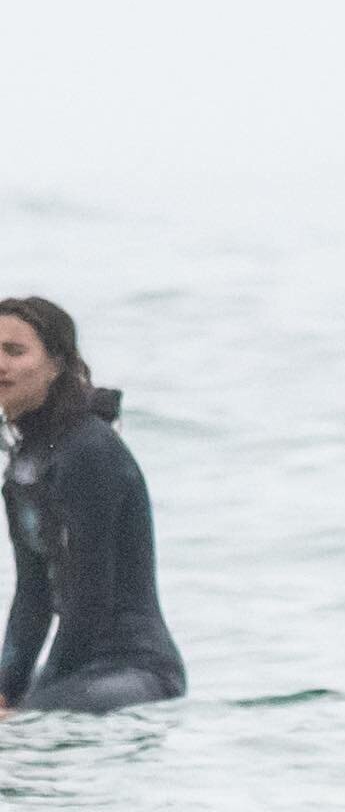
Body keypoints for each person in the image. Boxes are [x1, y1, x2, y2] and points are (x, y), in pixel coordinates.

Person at [0, 297, 185, 716]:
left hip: (135, 670)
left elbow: (90, 600)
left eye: (15, 351)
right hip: (81, 668)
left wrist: (33, 701)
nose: (1, 365)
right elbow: (33, 596)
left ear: (56, 365)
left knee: (29, 727)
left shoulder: (87, 451)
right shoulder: (25, 462)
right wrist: (7, 691)